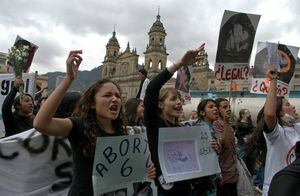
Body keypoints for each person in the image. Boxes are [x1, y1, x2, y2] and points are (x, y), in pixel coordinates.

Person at [33, 50, 156, 196]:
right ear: (92, 103)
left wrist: (144, 170)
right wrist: (68, 79)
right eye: (107, 95)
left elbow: (126, 169)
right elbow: (41, 124)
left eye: (117, 95)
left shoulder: (124, 132)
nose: (115, 99)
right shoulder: (78, 126)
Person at [144, 43, 219, 195]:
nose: (179, 102)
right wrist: (180, 64)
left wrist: (212, 149)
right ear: (159, 105)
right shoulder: (155, 125)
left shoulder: (185, 130)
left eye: (179, 99)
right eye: (173, 99)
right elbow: (152, 89)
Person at [262, 68, 300, 196]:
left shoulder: (297, 128)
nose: (293, 107)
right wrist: (273, 81)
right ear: (279, 112)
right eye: (288, 105)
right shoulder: (276, 134)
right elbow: (269, 114)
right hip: (277, 189)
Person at [214, 98, 238, 196]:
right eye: (224, 107)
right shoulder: (216, 124)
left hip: (232, 171)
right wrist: (226, 122)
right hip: (223, 174)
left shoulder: (228, 125)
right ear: (217, 110)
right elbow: (225, 143)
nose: (228, 109)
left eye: (229, 107)